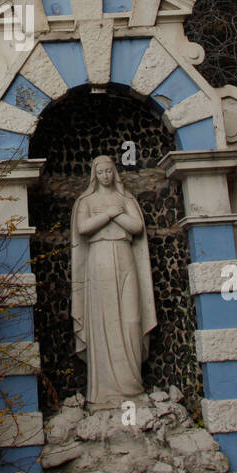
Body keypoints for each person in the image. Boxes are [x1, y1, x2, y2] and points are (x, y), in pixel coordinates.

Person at [71, 155, 156, 409]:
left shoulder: (126, 198)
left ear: (114, 173)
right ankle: (105, 390)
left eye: (109, 171)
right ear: (94, 175)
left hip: (124, 255)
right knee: (104, 320)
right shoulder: (86, 201)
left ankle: (131, 385)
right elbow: (83, 228)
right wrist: (110, 213)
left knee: (130, 320)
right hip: (99, 261)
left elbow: (137, 227)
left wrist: (114, 214)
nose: (105, 176)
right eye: (101, 172)